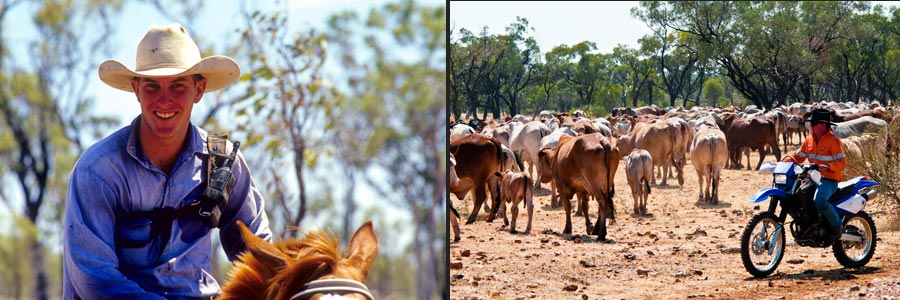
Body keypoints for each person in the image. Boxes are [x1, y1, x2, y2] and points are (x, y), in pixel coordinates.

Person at [63, 23, 272, 299]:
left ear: (198, 91)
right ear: (136, 90)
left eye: (177, 86)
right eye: (152, 86)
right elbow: (94, 278)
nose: (164, 100)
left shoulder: (222, 163)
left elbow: (259, 255)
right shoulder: (99, 170)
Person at [781, 108, 847, 243]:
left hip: (829, 179)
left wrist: (828, 167)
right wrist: (780, 163)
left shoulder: (833, 141)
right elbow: (797, 157)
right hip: (812, 177)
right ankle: (809, 225)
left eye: (814, 123)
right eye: (811, 122)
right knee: (793, 196)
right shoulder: (809, 140)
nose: (811, 125)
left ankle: (837, 227)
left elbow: (842, 163)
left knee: (820, 201)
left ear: (823, 125)